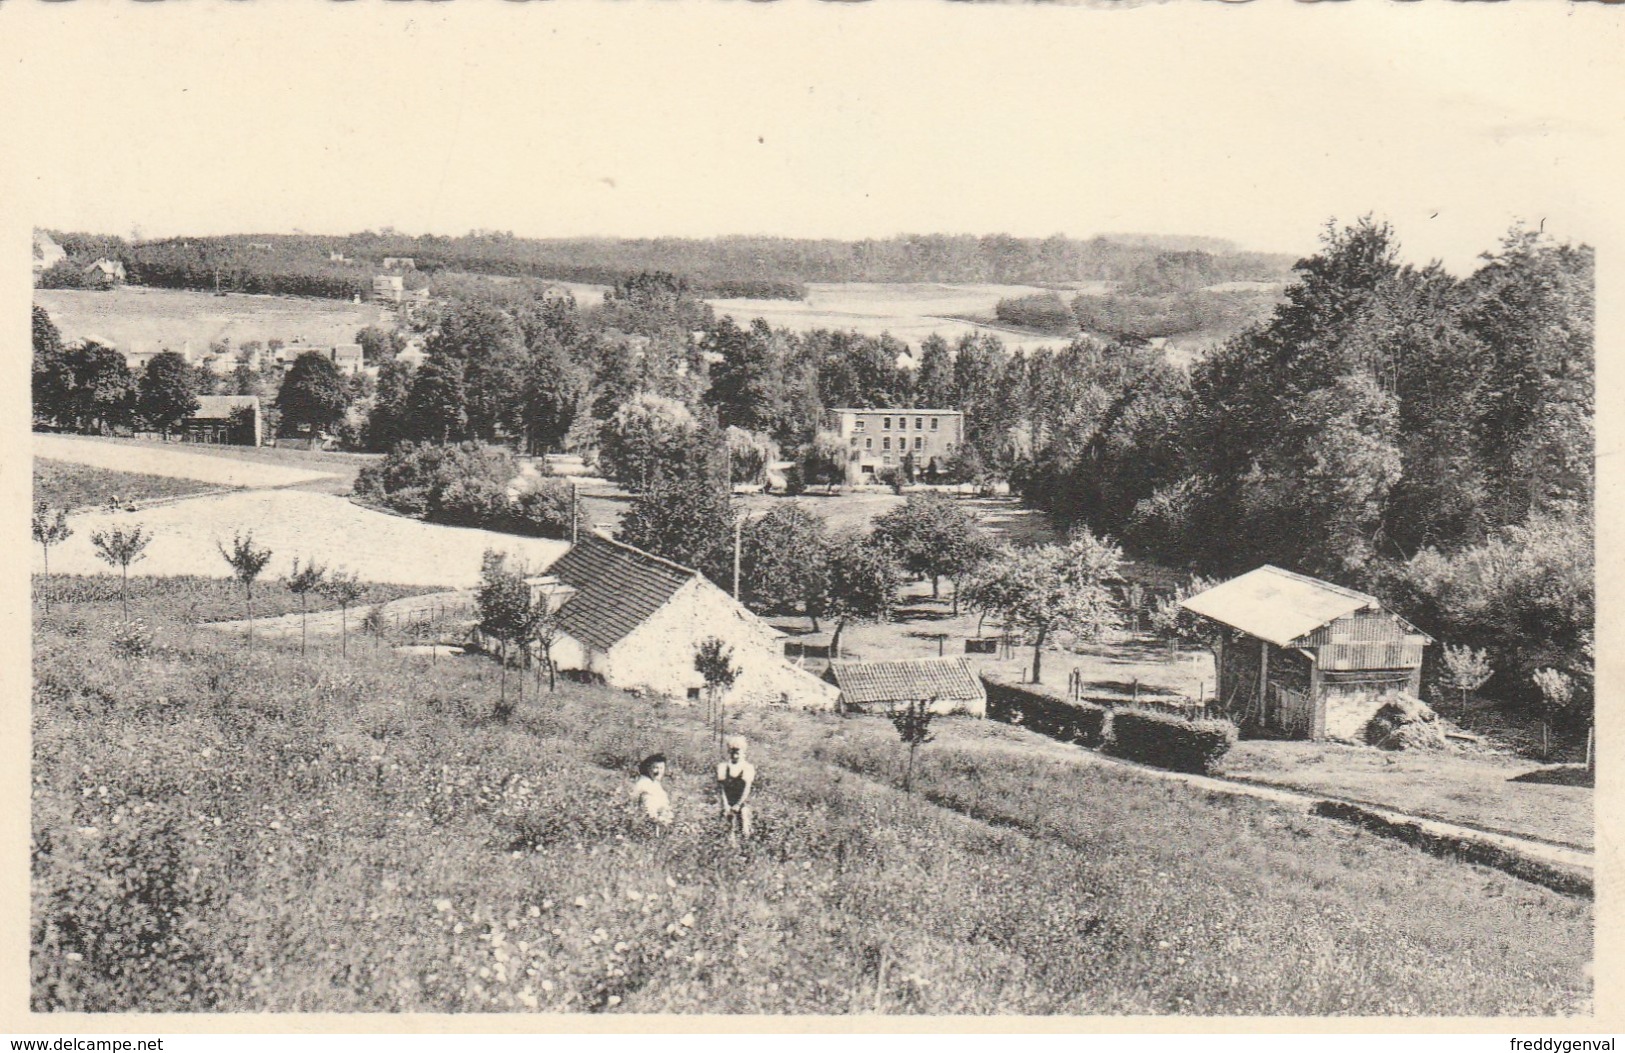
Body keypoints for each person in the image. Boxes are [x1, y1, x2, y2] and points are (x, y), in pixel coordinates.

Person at [715, 735, 756, 841]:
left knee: (744, 826)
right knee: (728, 829)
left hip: (742, 802)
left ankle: (746, 849)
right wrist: (725, 804)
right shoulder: (723, 767)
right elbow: (722, 788)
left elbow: (747, 788)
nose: (735, 755)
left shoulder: (747, 767)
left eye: (738, 752)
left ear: (743, 752)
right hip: (728, 801)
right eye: (732, 752)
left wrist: (738, 804)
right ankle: (729, 851)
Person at [631, 753, 673, 831]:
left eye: (661, 768)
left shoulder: (655, 783)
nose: (659, 771)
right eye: (655, 768)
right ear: (648, 768)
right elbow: (649, 810)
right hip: (646, 826)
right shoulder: (644, 784)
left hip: (658, 824)